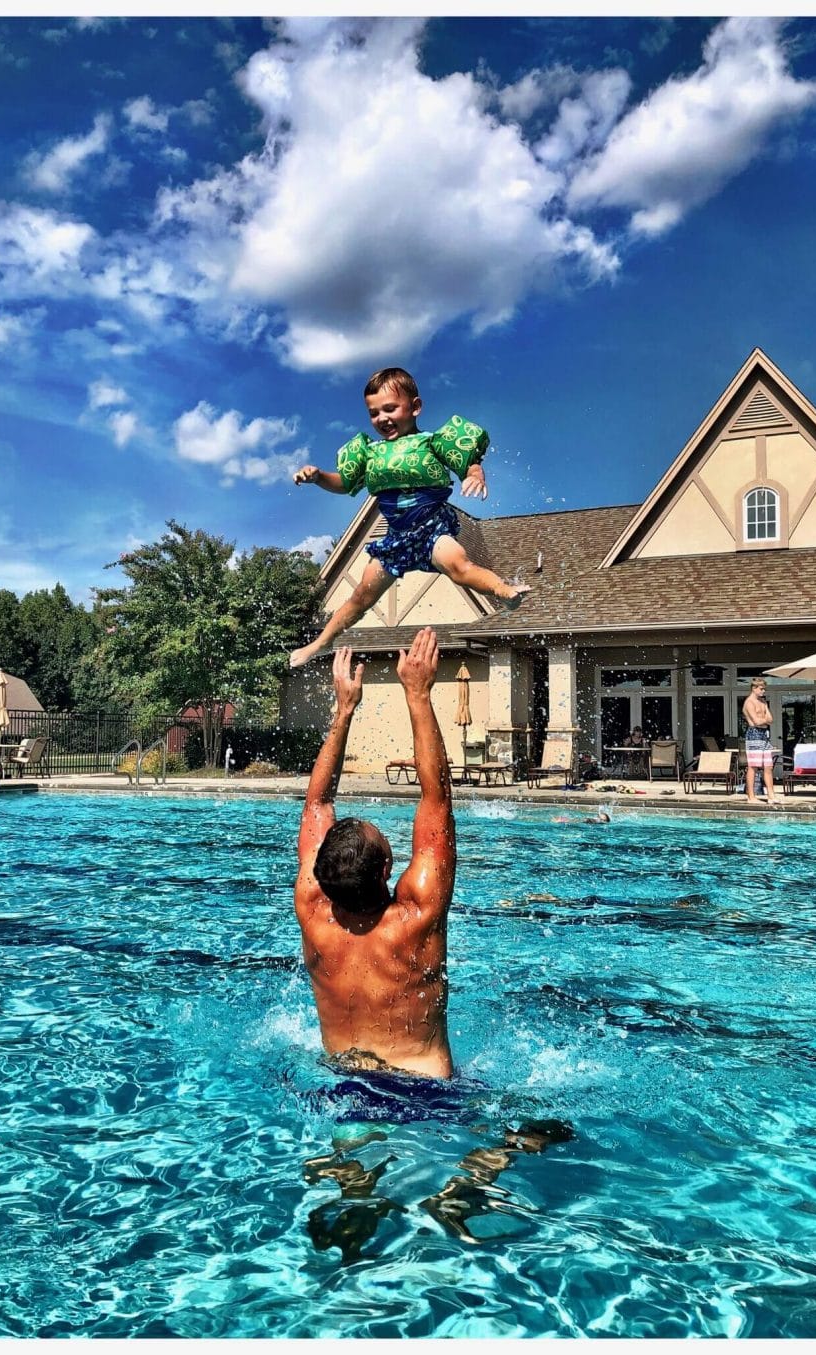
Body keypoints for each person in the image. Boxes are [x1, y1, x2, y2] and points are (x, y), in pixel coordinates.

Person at [294, 626, 456, 1079]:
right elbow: (437, 799)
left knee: (348, 1147)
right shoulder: (416, 919)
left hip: (344, 1085)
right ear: (387, 868)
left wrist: (344, 710)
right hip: (426, 1093)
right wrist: (418, 696)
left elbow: (316, 804)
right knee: (546, 1129)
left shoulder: (312, 911)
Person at [289, 368, 530, 667]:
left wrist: (476, 473)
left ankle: (503, 590)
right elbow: (344, 484)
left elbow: (469, 463)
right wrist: (319, 477)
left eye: (390, 408)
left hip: (432, 529)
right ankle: (322, 643)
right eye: (374, 413)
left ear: (415, 407)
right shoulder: (371, 454)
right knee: (362, 596)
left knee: (459, 566)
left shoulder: (431, 443)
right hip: (396, 540)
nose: (382, 418)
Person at [741, 677, 780, 808]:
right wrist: (764, 719)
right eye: (761, 689)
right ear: (754, 688)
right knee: (753, 766)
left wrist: (763, 718)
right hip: (754, 734)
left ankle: (771, 795)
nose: (763, 691)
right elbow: (757, 722)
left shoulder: (763, 702)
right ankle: (751, 796)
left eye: (764, 689)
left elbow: (771, 719)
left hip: (764, 735)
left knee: (768, 766)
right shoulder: (749, 703)